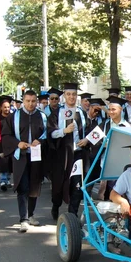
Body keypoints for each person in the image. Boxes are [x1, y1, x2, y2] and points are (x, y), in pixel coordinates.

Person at [2, 90, 48, 232]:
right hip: (20, 156)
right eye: (28, 101)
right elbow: (5, 135)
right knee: (23, 187)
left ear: (37, 101)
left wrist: (40, 140)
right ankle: (24, 218)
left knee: (34, 185)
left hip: (36, 156)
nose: (30, 104)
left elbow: (48, 134)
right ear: (23, 101)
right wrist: (17, 143)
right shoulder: (13, 116)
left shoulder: (42, 116)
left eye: (33, 101)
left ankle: (31, 214)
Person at [47, 82, 89, 220]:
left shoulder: (82, 113)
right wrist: (63, 131)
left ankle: (72, 214)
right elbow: (50, 133)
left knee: (77, 186)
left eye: (74, 94)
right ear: (64, 95)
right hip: (61, 155)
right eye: (68, 94)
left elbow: (89, 130)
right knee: (58, 186)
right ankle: (55, 205)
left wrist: (86, 140)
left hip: (77, 155)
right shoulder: (56, 113)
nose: (71, 97)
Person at [0, 96, 14, 190]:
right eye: (5, 107)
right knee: (2, 162)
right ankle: (3, 180)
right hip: (0, 143)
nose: (7, 109)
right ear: (1, 108)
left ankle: (8, 179)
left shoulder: (13, 117)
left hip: (10, 143)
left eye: (8, 107)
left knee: (9, 162)